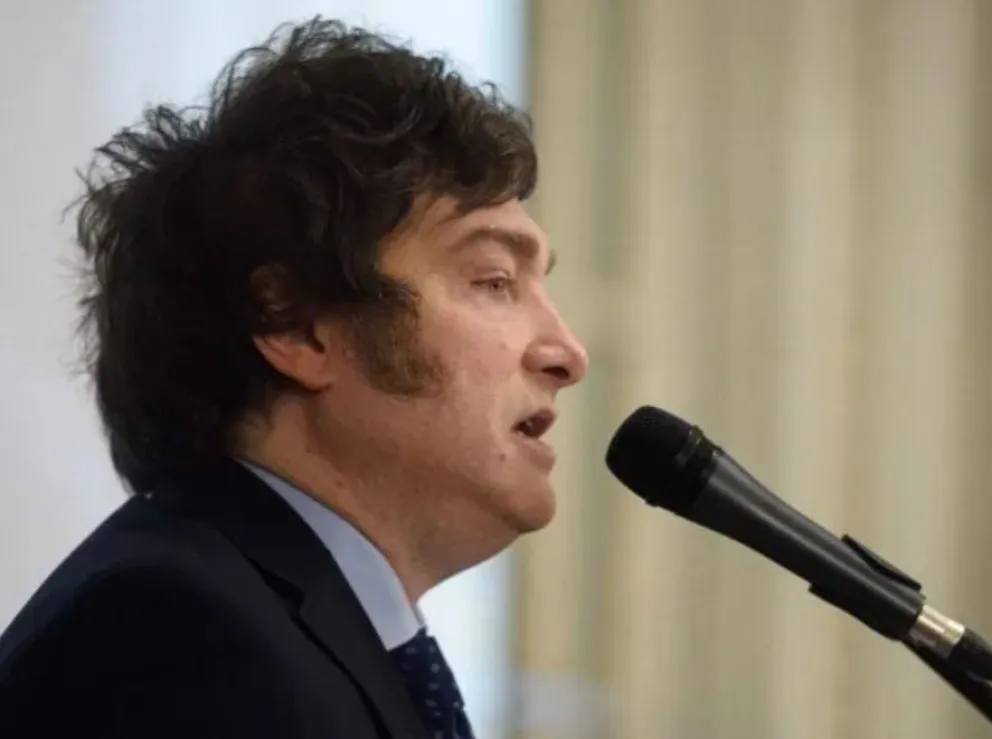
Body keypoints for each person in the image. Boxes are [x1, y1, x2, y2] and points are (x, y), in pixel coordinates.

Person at [0, 16, 587, 739]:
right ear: (296, 326)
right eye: (494, 281)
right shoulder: (178, 634)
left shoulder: (298, 628)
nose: (568, 353)